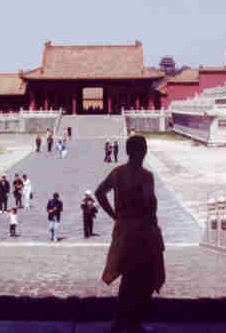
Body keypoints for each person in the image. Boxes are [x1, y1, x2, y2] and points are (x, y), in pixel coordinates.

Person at [95, 135, 166, 333]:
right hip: (133, 233)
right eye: (140, 149)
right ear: (132, 151)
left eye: (143, 148)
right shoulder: (131, 174)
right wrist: (115, 215)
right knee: (132, 278)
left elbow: (100, 192)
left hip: (139, 232)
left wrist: (115, 216)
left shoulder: (137, 175)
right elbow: (99, 192)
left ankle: (130, 321)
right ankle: (123, 322)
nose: (142, 152)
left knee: (143, 278)